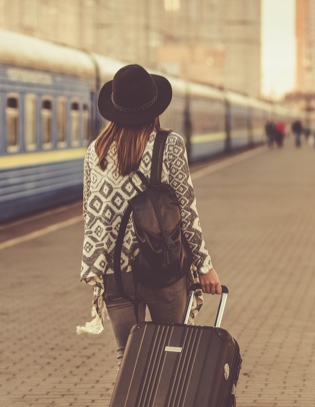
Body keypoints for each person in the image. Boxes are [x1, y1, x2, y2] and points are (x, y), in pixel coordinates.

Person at [77, 64, 222, 371]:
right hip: (161, 266)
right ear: (154, 107)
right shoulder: (169, 145)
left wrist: (94, 268)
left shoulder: (95, 151)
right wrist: (205, 266)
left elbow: (91, 215)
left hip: (116, 272)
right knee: (172, 352)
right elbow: (186, 211)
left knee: (127, 357)